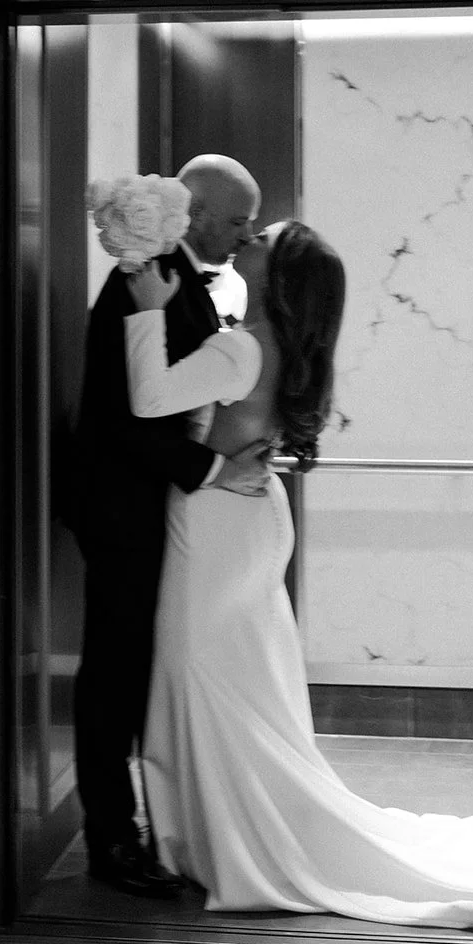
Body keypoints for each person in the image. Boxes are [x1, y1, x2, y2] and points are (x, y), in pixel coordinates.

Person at [124, 220, 473, 929]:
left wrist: (147, 310)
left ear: (279, 273)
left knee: (197, 674)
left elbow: (150, 399)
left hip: (215, 522)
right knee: (236, 681)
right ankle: (211, 835)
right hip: (248, 514)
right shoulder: (273, 345)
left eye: (263, 236)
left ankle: (223, 841)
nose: (250, 237)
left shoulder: (242, 346)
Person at [72, 154, 270, 897]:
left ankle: (138, 828)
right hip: (120, 509)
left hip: (143, 506)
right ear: (201, 210)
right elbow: (133, 420)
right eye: (239, 220)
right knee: (112, 675)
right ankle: (112, 842)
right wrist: (217, 472)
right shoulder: (143, 280)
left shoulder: (180, 280)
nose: (245, 235)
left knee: (132, 670)